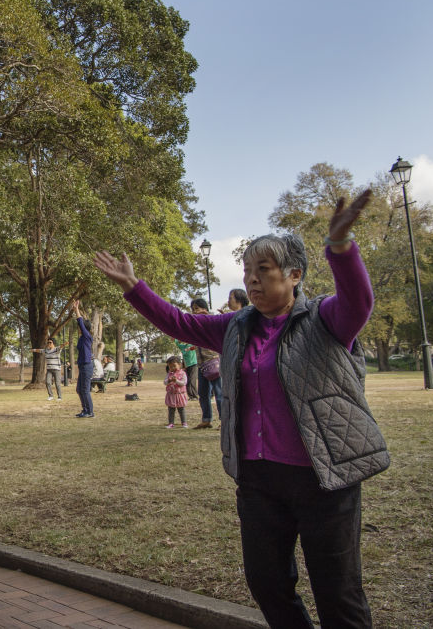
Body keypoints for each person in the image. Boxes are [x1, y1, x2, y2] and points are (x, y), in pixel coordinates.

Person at [93, 190, 387, 628]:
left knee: (337, 593)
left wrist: (341, 248)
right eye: (247, 272)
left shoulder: (325, 320)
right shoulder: (236, 326)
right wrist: (134, 288)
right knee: (267, 584)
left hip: (324, 477)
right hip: (259, 479)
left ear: (294, 275)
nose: (251, 281)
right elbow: (180, 322)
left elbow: (358, 303)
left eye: (263, 271)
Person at [190, 298, 223, 430]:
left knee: (219, 393)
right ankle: (206, 419)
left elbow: (219, 324)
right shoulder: (195, 325)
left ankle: (224, 420)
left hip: (214, 361)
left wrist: (208, 315)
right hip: (201, 364)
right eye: (193, 309)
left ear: (205, 309)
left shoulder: (211, 320)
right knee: (203, 394)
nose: (195, 312)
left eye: (197, 308)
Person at [71, 300, 94, 418]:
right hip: (82, 366)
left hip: (87, 366)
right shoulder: (82, 338)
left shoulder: (87, 336)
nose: (79, 327)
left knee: (84, 390)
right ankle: (85, 410)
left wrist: (76, 310)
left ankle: (90, 412)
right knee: (79, 389)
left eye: (81, 326)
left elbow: (80, 322)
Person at [163, 356, 188, 429]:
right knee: (171, 409)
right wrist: (169, 381)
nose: (173, 368)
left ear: (179, 365)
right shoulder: (169, 374)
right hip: (171, 395)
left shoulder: (183, 373)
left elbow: (184, 383)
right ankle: (171, 423)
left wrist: (176, 381)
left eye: (174, 366)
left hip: (179, 394)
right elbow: (164, 382)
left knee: (181, 409)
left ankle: (184, 422)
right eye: (170, 367)